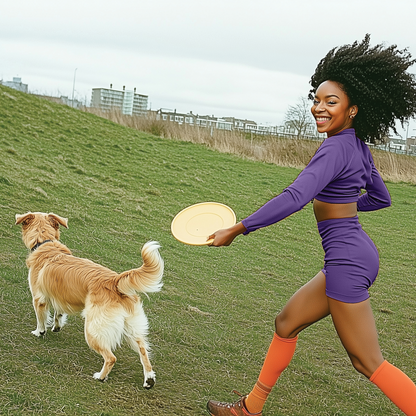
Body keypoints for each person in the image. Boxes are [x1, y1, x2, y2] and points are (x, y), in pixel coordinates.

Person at [206, 35, 416, 416]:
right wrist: (342, 208)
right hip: (354, 253)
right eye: (316, 100)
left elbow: (294, 197)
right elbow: (382, 198)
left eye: (330, 102)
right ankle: (249, 409)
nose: (319, 108)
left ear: (352, 109)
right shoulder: (357, 145)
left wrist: (239, 228)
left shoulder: (335, 148)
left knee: (368, 362)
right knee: (286, 323)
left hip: (347, 262)